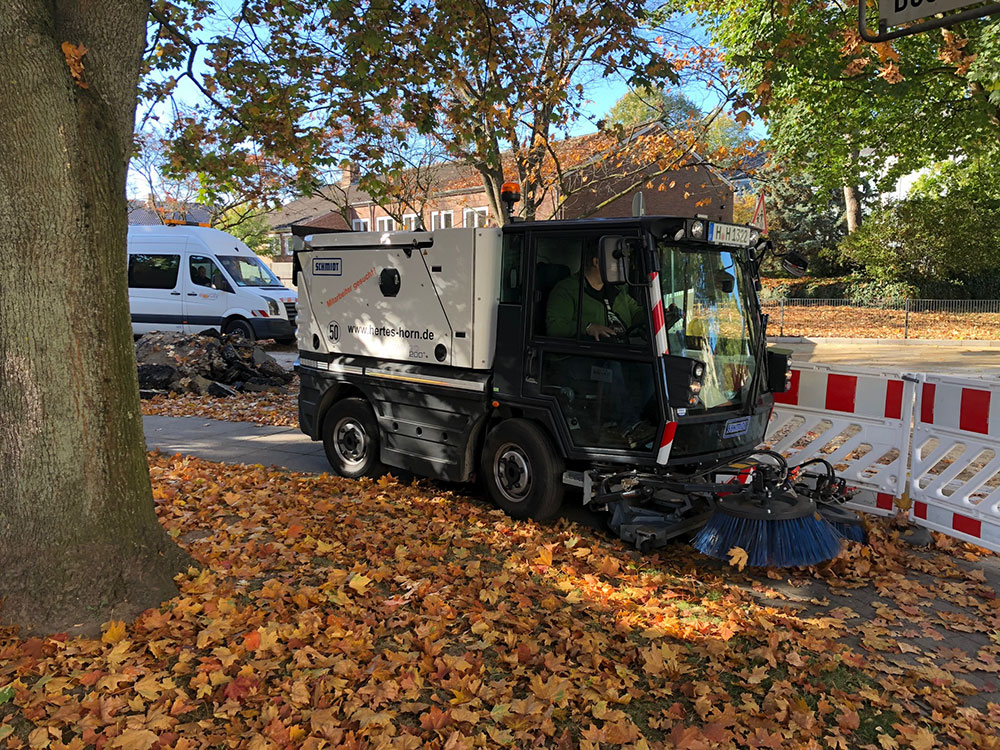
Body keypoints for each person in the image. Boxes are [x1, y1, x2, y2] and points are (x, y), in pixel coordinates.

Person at [545, 246, 643, 341]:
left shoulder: (617, 289)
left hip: (623, 348)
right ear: (597, 262)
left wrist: (652, 318)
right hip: (587, 352)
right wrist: (588, 328)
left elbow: (636, 313)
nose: (621, 266)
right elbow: (554, 327)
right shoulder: (567, 289)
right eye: (616, 260)